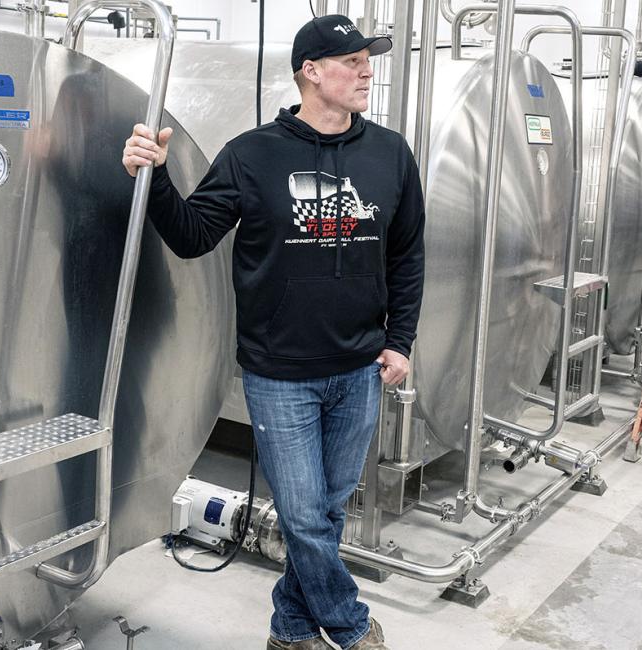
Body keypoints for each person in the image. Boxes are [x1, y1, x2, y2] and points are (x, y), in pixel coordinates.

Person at [121, 14, 425, 650]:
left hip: (358, 367)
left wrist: (400, 341)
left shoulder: (390, 153)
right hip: (279, 371)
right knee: (305, 517)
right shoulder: (253, 154)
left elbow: (407, 254)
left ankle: (289, 632)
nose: (368, 70)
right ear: (311, 72)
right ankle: (350, 626)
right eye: (352, 61)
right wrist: (152, 179)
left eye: (370, 60)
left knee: (325, 513)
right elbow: (192, 233)